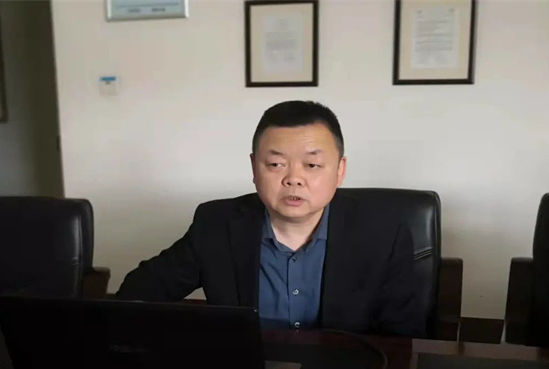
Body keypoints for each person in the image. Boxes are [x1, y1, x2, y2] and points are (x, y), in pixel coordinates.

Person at [117, 100, 425, 337]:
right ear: (254, 168)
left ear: (340, 170)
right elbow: (137, 293)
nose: (293, 179)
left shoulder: (384, 232)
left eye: (312, 165)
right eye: (276, 164)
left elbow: (404, 336)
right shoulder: (216, 224)